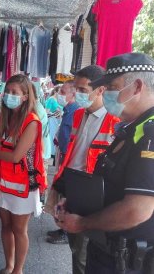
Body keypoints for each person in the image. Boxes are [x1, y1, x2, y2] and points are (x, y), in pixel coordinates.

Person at [56, 53, 154, 273]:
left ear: (137, 87)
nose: (107, 93)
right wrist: (74, 203)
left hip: (125, 260)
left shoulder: (150, 134)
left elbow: (137, 209)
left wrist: (82, 223)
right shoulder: (132, 128)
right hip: (108, 251)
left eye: (112, 87)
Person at [50, 65, 120, 274]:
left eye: (83, 90)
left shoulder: (114, 121)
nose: (78, 94)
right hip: (72, 188)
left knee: (84, 255)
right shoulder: (79, 115)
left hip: (93, 195)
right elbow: (73, 150)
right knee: (75, 248)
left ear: (100, 90)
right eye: (76, 89)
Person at [0, 75, 47, 274]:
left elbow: (14, 156)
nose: (9, 96)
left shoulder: (32, 122)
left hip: (23, 185)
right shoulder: (4, 118)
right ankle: (9, 265)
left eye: (15, 92)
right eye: (7, 91)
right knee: (5, 226)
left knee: (19, 230)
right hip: (3, 182)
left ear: (25, 96)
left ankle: (18, 270)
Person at [47, 81, 80, 244]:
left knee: (67, 196)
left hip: (69, 159)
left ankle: (66, 233)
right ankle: (62, 228)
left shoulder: (75, 111)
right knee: (62, 195)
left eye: (63, 91)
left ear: (73, 94)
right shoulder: (68, 110)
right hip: (63, 157)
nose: (60, 94)